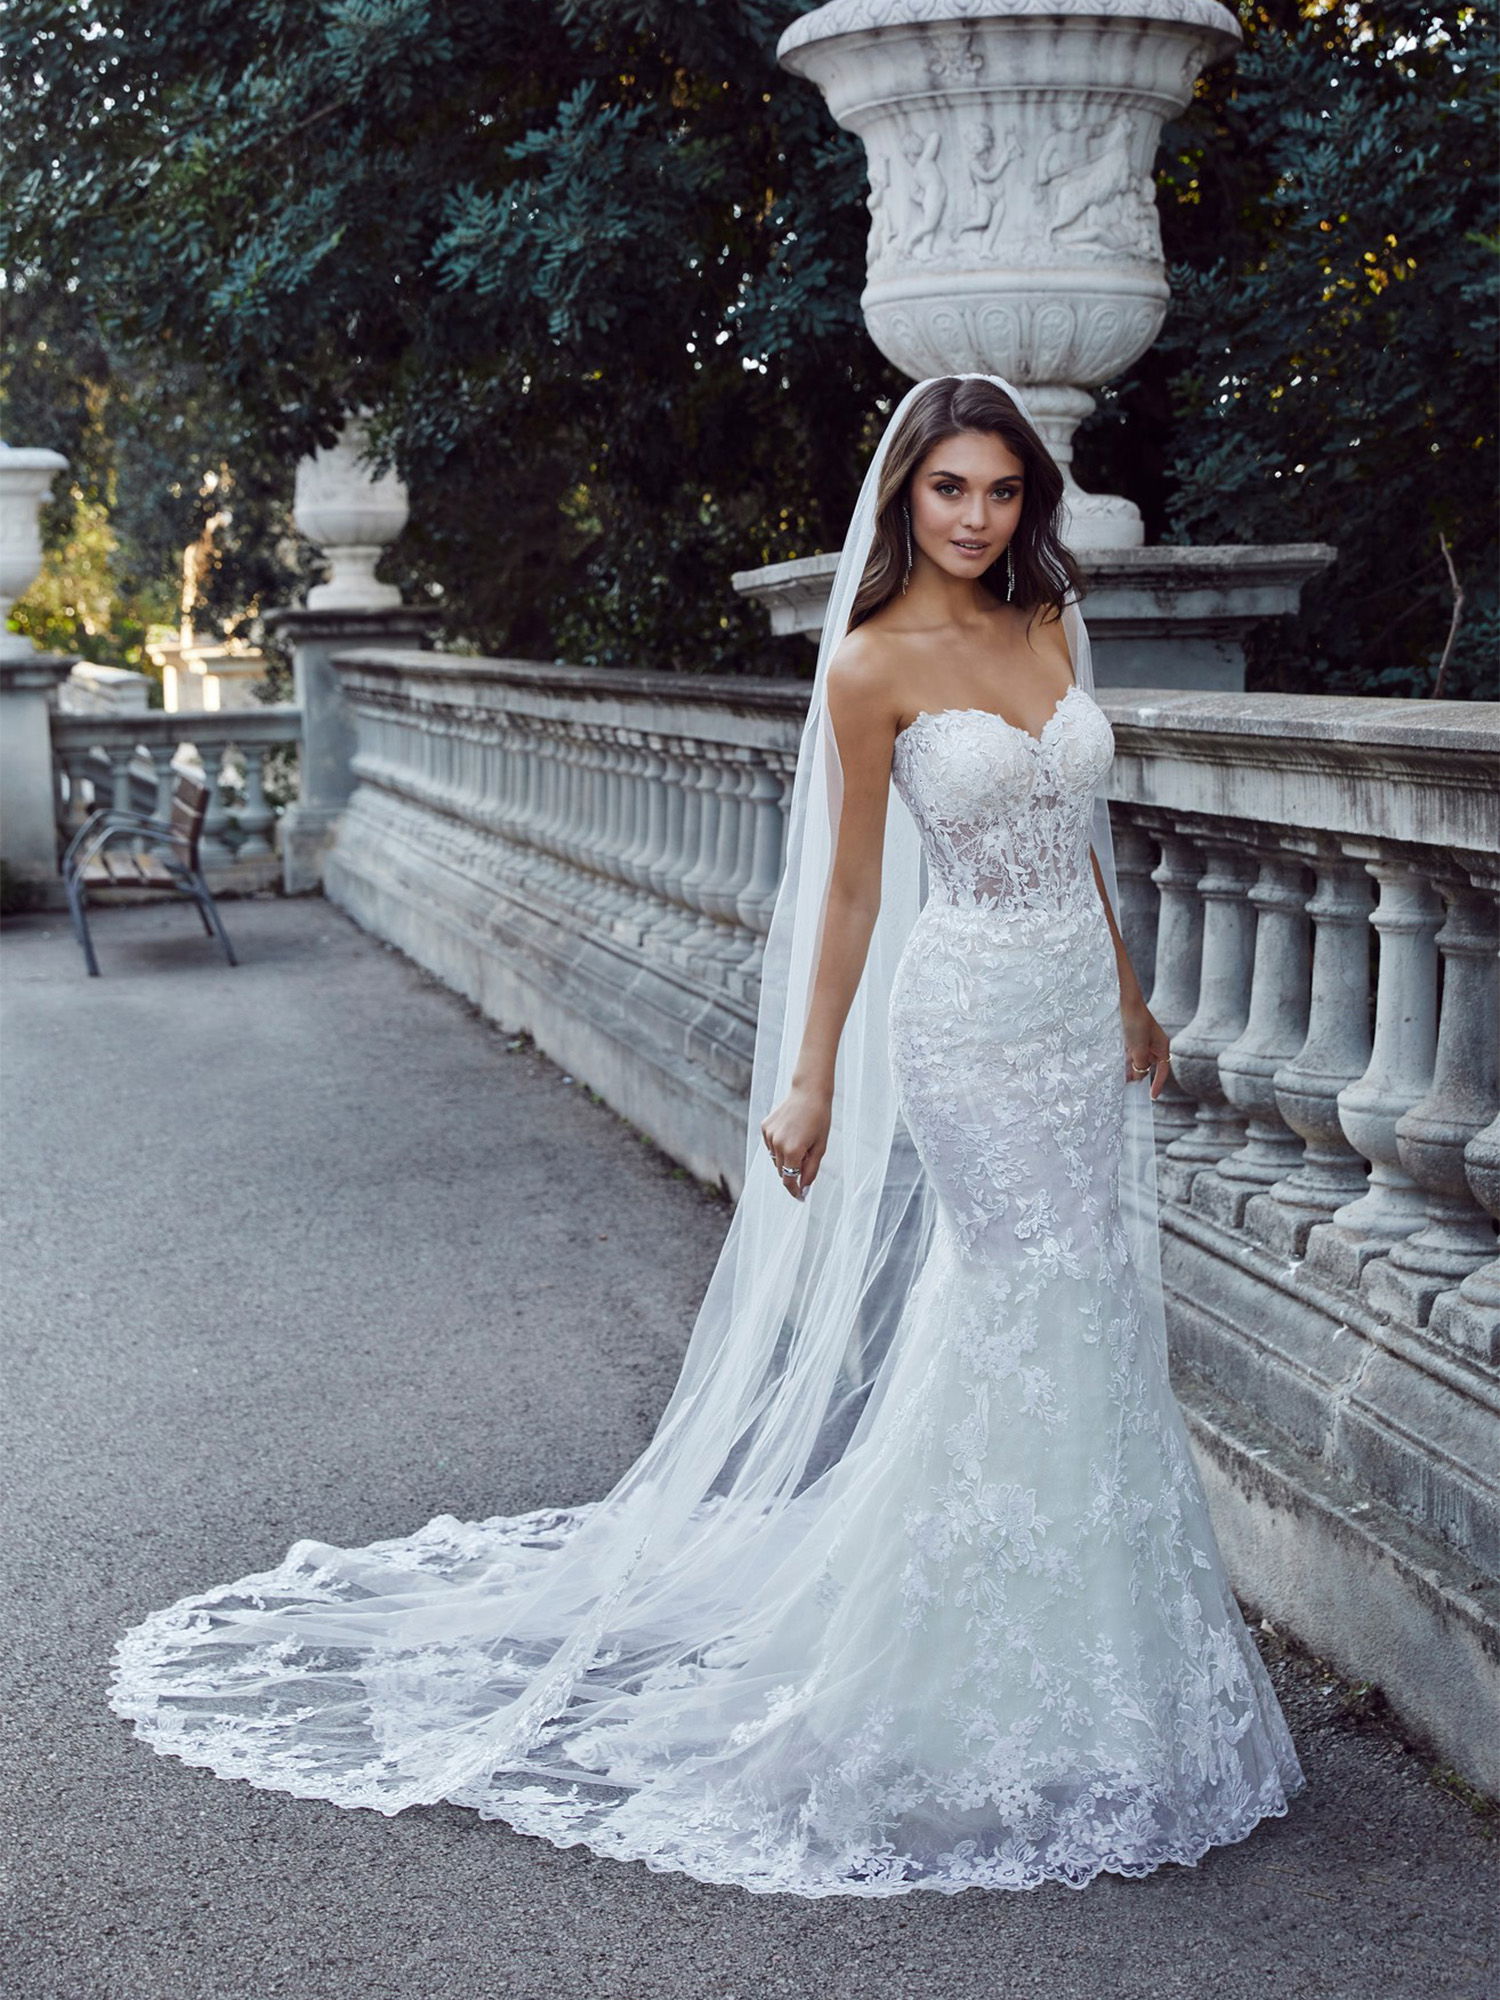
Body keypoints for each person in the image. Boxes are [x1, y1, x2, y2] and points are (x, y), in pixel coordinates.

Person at [109, 374, 1305, 1898]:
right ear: (905, 499)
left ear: (1029, 505)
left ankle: (1106, 1673)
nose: (977, 516)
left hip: (1073, 1013)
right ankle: (946, 1677)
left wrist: (1133, 1002)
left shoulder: (1053, 626)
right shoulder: (871, 662)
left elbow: (1081, 848)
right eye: (951, 490)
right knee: (1025, 1297)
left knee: (1090, 1307)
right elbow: (858, 894)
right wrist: (807, 1077)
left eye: (1002, 492)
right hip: (966, 1024)